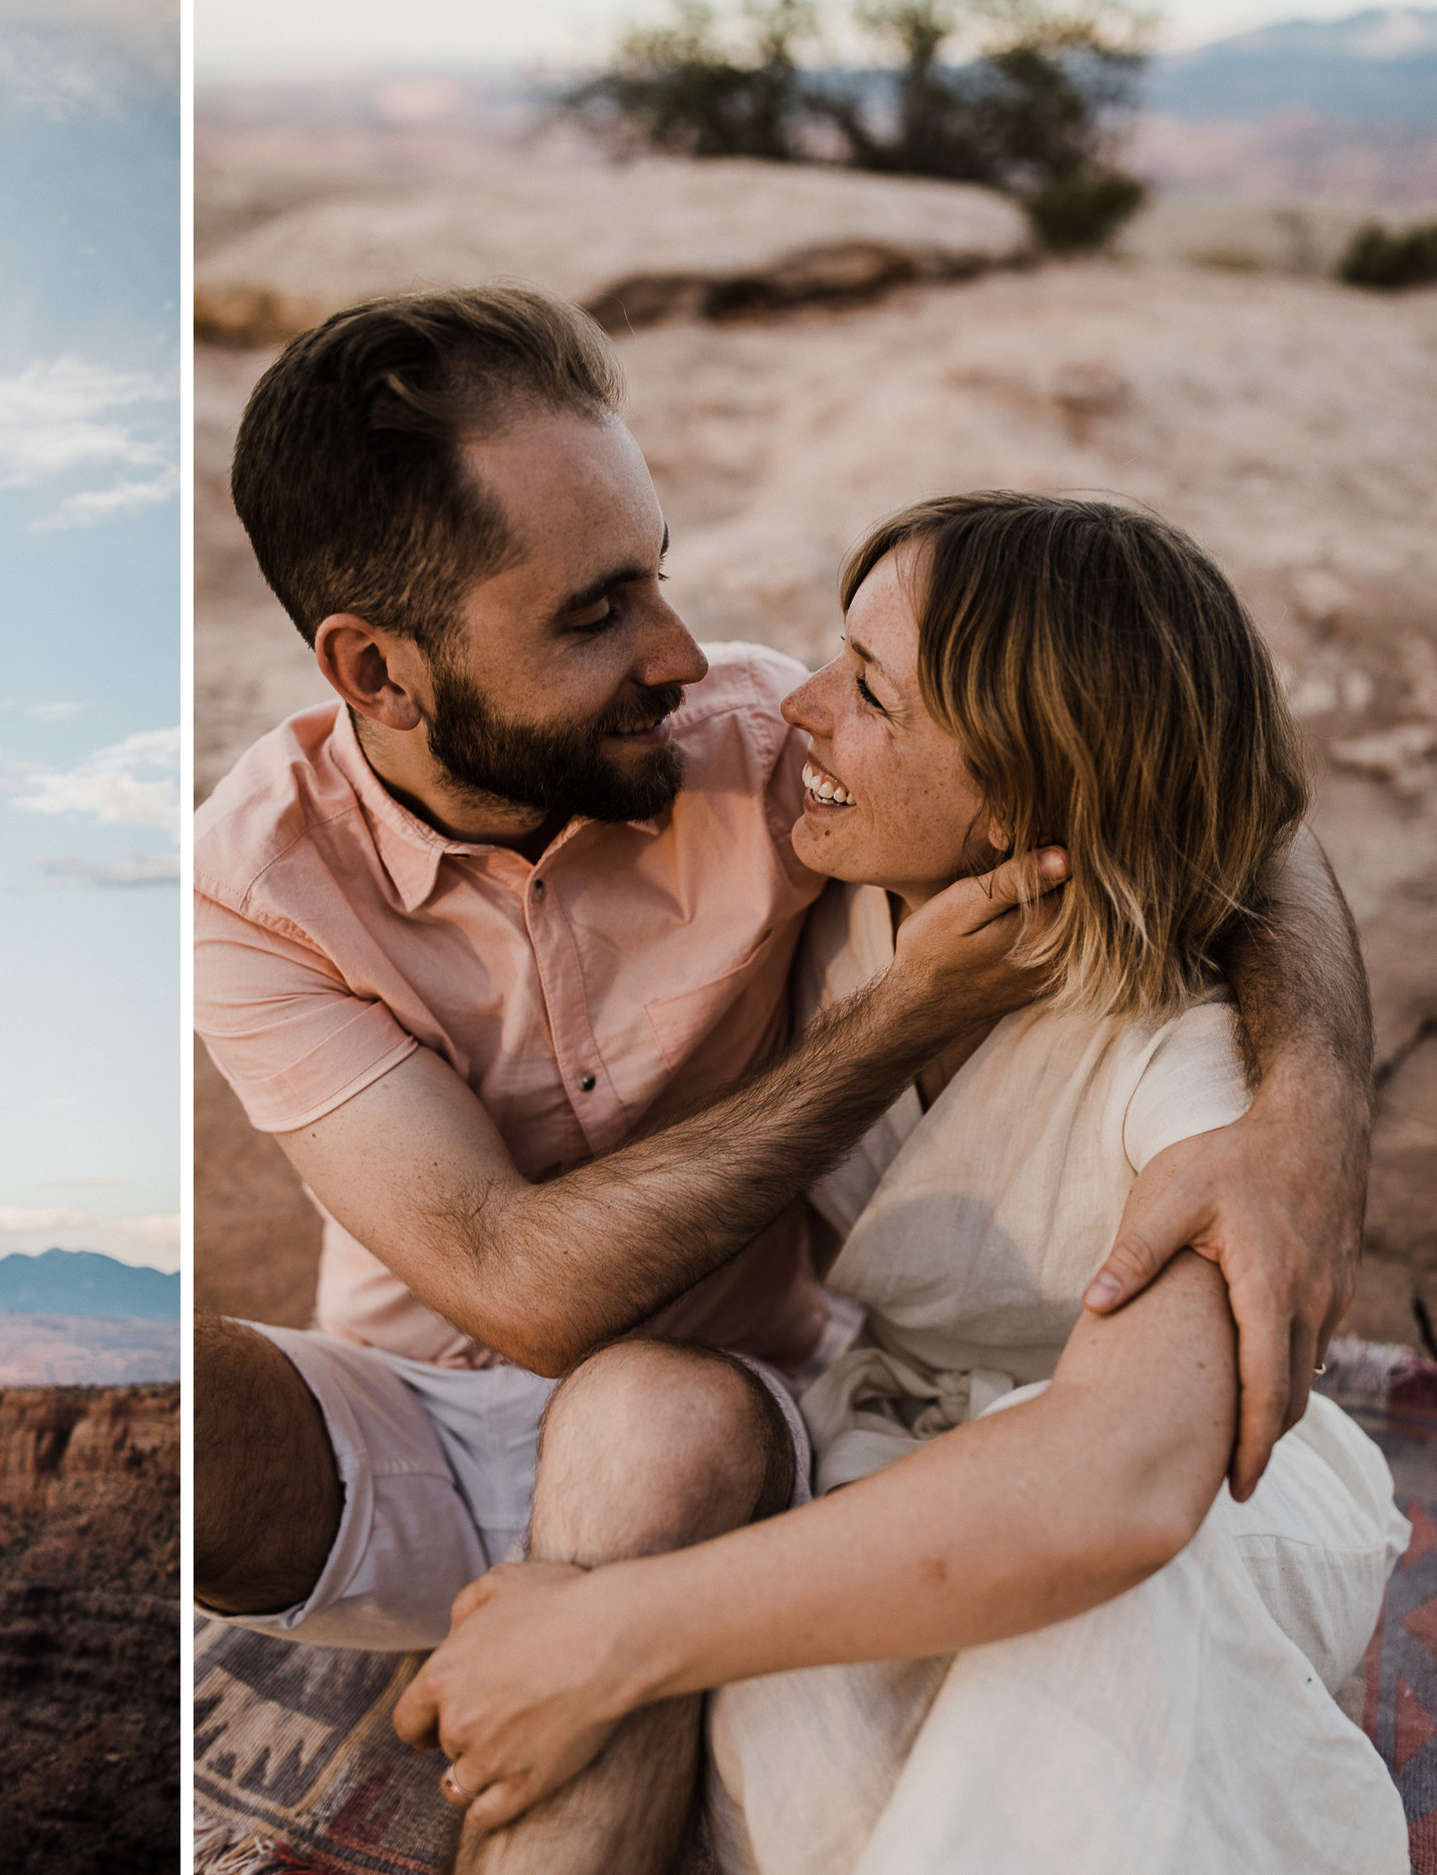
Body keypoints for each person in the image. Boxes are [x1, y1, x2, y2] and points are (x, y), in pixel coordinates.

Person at [194, 284, 1374, 1873]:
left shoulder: (763, 761)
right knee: (161, 1405)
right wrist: (890, 1028)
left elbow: (1222, 789)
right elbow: (515, 1284)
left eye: (656, 573)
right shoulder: (258, 880)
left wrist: (1308, 1108)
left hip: (740, 1420)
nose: (697, 659)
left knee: (681, 1457)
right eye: (597, 611)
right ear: (380, 675)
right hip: (442, 1411)